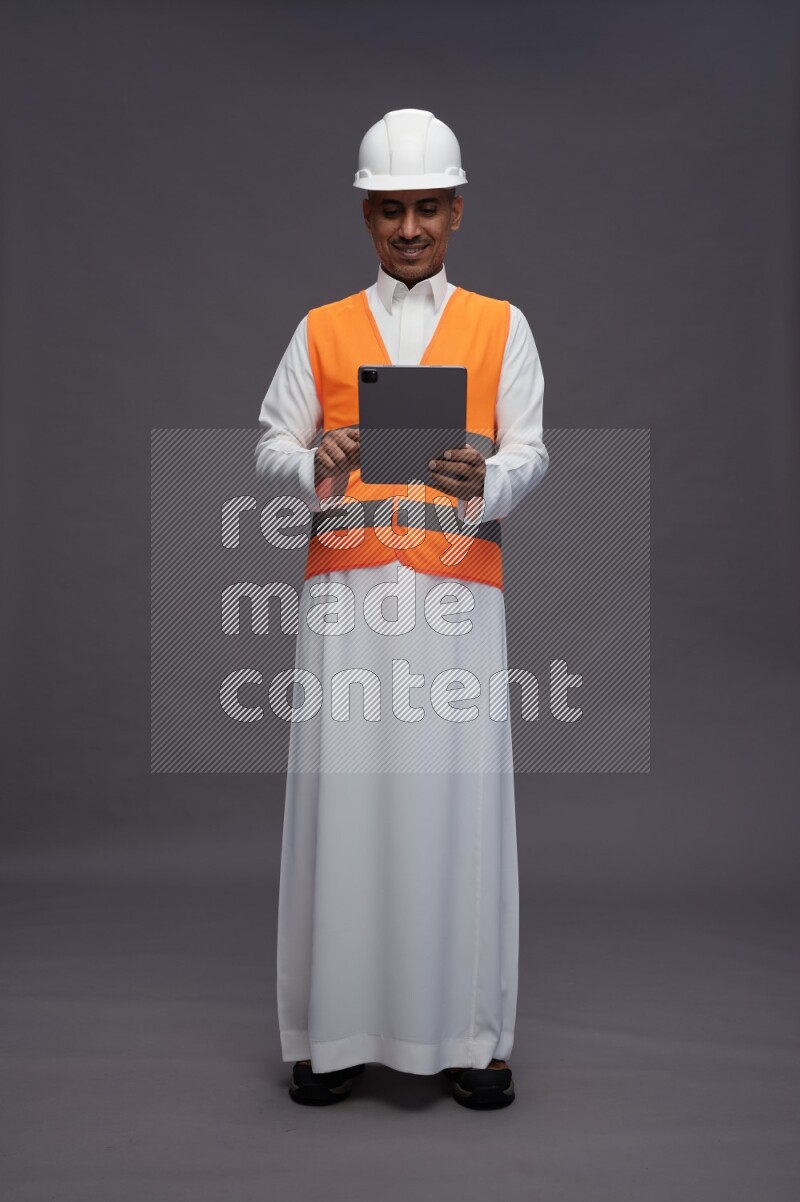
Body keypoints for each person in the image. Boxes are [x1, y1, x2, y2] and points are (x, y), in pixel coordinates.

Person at [255, 108, 548, 1109]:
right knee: (345, 802)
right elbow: (270, 448)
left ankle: (468, 1035)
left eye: (427, 207)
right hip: (345, 601)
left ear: (455, 213)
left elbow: (531, 451)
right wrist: (311, 460)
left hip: (458, 602)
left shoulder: (502, 325)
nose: (410, 226)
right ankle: (334, 1031)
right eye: (391, 210)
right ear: (366, 215)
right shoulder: (322, 327)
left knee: (454, 806)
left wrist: (485, 480)